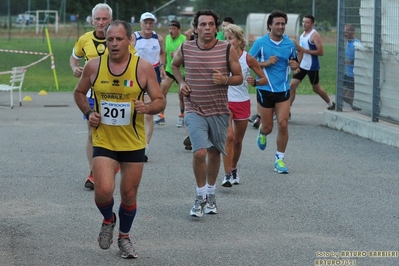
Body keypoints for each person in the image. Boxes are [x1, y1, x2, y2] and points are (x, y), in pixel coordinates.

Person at [73, 20, 165, 259]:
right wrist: (88, 112)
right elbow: (79, 92)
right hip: (104, 140)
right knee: (103, 191)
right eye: (110, 39)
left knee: (128, 194)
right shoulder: (94, 66)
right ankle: (108, 219)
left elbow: (160, 100)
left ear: (129, 41)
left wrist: (148, 107)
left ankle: (124, 237)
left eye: (119, 39)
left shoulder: (142, 68)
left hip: (133, 142)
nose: (114, 44)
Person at [171, 9, 243, 217]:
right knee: (199, 151)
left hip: (219, 110)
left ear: (216, 28)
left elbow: (238, 76)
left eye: (211, 24)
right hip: (194, 107)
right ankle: (200, 195)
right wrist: (182, 82)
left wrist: (226, 80)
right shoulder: (185, 47)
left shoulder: (226, 49)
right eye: (203, 24)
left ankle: (211, 194)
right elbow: (175, 66)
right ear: (195, 28)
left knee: (213, 153)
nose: (207, 28)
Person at [248, 10, 299, 174]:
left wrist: (295, 66)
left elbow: (295, 63)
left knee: (283, 124)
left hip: (283, 89)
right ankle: (262, 132)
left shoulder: (289, 44)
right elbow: (248, 62)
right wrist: (266, 63)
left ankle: (279, 159)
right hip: (265, 89)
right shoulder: (261, 43)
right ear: (270, 25)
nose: (280, 26)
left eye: (283, 23)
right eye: (277, 23)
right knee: (269, 127)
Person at [69, 3, 113, 190]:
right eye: (98, 19)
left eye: (105, 19)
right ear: (92, 20)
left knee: (113, 133)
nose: (101, 22)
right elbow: (74, 57)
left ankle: (111, 167)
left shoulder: (119, 38)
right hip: (92, 94)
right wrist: (75, 68)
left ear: (110, 20)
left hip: (115, 95)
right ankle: (94, 173)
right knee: (92, 132)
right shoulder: (84, 39)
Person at [221, 24, 268, 187]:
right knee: (229, 137)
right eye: (225, 38)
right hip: (225, 101)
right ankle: (226, 174)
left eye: (230, 38)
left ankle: (233, 168)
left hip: (242, 101)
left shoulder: (248, 58)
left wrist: (255, 82)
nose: (227, 41)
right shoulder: (221, 55)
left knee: (238, 141)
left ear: (240, 41)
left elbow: (263, 79)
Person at [132, 12, 166, 161]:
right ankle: (130, 143)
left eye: (151, 22)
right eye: (145, 22)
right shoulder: (133, 38)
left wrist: (163, 66)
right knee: (132, 111)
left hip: (153, 76)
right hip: (135, 75)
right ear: (140, 23)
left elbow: (163, 53)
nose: (148, 25)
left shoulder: (158, 39)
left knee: (148, 115)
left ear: (154, 24)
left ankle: (144, 148)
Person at [289, 15, 335, 113]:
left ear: (312, 24)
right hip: (301, 65)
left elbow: (320, 52)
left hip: (311, 66)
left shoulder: (314, 35)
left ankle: (330, 103)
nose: (304, 24)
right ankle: (287, 110)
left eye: (307, 22)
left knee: (316, 88)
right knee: (292, 86)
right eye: (303, 22)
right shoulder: (302, 35)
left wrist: (305, 50)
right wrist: (297, 63)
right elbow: (300, 51)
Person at [158, 20, 187, 127]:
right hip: (170, 69)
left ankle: (182, 115)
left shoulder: (184, 39)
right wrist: (162, 65)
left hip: (182, 71)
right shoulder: (168, 38)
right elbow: (165, 52)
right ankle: (161, 115)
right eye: (170, 29)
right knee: (162, 90)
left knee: (181, 95)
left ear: (178, 30)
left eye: (173, 29)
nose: (171, 31)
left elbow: (188, 56)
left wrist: (178, 55)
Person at [343, 23, 361, 110]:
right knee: (341, 95)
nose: (344, 33)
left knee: (347, 96)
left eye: (346, 31)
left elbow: (360, 58)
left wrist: (351, 61)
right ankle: (354, 105)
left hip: (353, 75)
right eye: (344, 31)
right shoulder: (348, 42)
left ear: (352, 32)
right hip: (347, 73)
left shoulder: (356, 44)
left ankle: (356, 106)